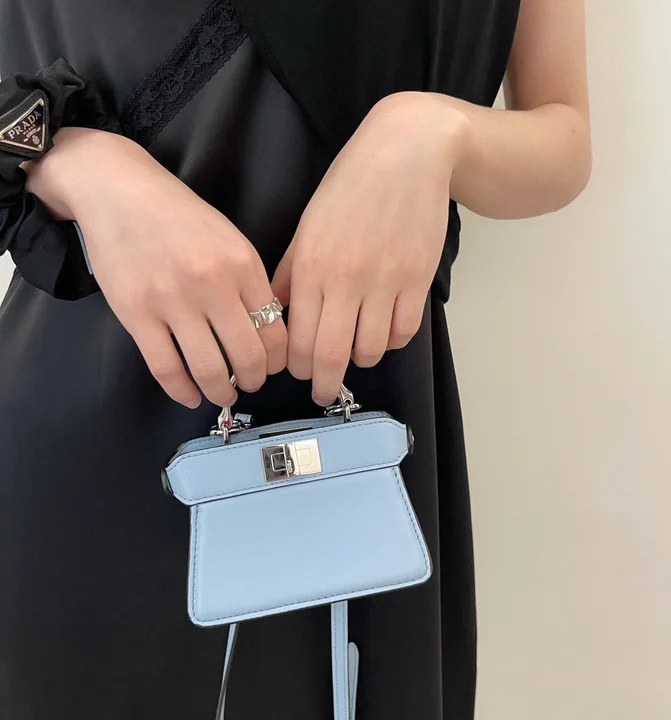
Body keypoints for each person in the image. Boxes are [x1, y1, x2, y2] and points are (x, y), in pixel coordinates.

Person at [0, 0, 591, 717]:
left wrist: (432, 130)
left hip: (369, 452)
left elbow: (564, 137)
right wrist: (78, 164)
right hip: (83, 439)